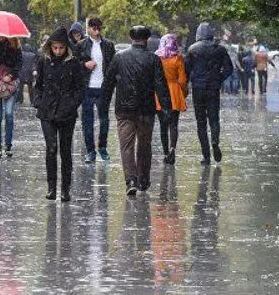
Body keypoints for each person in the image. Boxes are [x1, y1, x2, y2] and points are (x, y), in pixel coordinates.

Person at [99, 25, 171, 196]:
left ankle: (131, 180)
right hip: (146, 109)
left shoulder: (118, 58)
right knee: (144, 145)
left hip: (124, 109)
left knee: (126, 146)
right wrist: (166, 108)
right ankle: (143, 178)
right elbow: (161, 86)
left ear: (131, 39)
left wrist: (103, 105)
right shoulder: (153, 60)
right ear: (146, 40)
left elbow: (108, 84)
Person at [33, 27, 85, 202]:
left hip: (66, 112)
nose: (58, 51)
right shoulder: (43, 61)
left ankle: (65, 189)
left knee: (65, 150)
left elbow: (80, 88)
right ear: (50, 47)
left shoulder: (73, 63)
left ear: (66, 48)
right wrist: (38, 101)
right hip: (47, 110)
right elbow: (38, 84)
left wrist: (72, 104)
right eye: (55, 48)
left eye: (61, 48)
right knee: (51, 148)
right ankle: (51, 187)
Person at [186, 22, 234, 165]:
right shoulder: (220, 49)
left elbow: (186, 70)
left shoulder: (192, 49)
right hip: (213, 88)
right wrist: (218, 78)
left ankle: (206, 156)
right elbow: (229, 68)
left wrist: (191, 80)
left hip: (198, 89)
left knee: (201, 122)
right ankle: (215, 141)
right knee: (214, 118)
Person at [76, 17, 115, 162]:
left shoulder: (108, 45)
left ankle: (102, 148)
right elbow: (74, 64)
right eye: (93, 27)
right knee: (87, 120)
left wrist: (111, 84)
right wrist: (84, 65)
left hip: (103, 87)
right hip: (87, 87)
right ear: (88, 28)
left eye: (98, 27)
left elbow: (113, 65)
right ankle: (90, 151)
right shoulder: (81, 45)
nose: (96, 30)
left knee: (104, 119)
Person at [155, 34, 188, 165]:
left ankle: (165, 152)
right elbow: (182, 80)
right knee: (174, 124)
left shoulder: (157, 58)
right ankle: (172, 149)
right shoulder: (178, 59)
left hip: (159, 93)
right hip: (174, 92)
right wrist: (183, 93)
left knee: (163, 125)